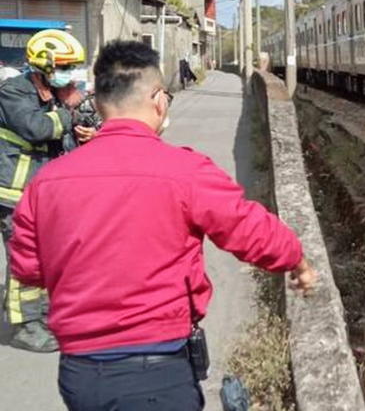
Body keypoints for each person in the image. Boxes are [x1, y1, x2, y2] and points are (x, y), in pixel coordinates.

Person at [9, 40, 317, 410]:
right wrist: (297, 261)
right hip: (157, 368)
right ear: (158, 99)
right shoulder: (185, 171)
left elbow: (28, 269)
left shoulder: (46, 182)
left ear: (101, 103)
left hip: (79, 373)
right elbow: (249, 229)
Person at [0, 28, 94, 352]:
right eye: (64, 67)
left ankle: (38, 315)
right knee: (24, 261)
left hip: (40, 195)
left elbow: (59, 141)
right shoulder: (14, 92)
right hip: (13, 193)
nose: (70, 75)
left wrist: (82, 136)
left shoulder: (52, 96)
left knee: (44, 258)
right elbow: (37, 128)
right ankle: (24, 328)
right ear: (44, 66)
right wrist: (67, 113)